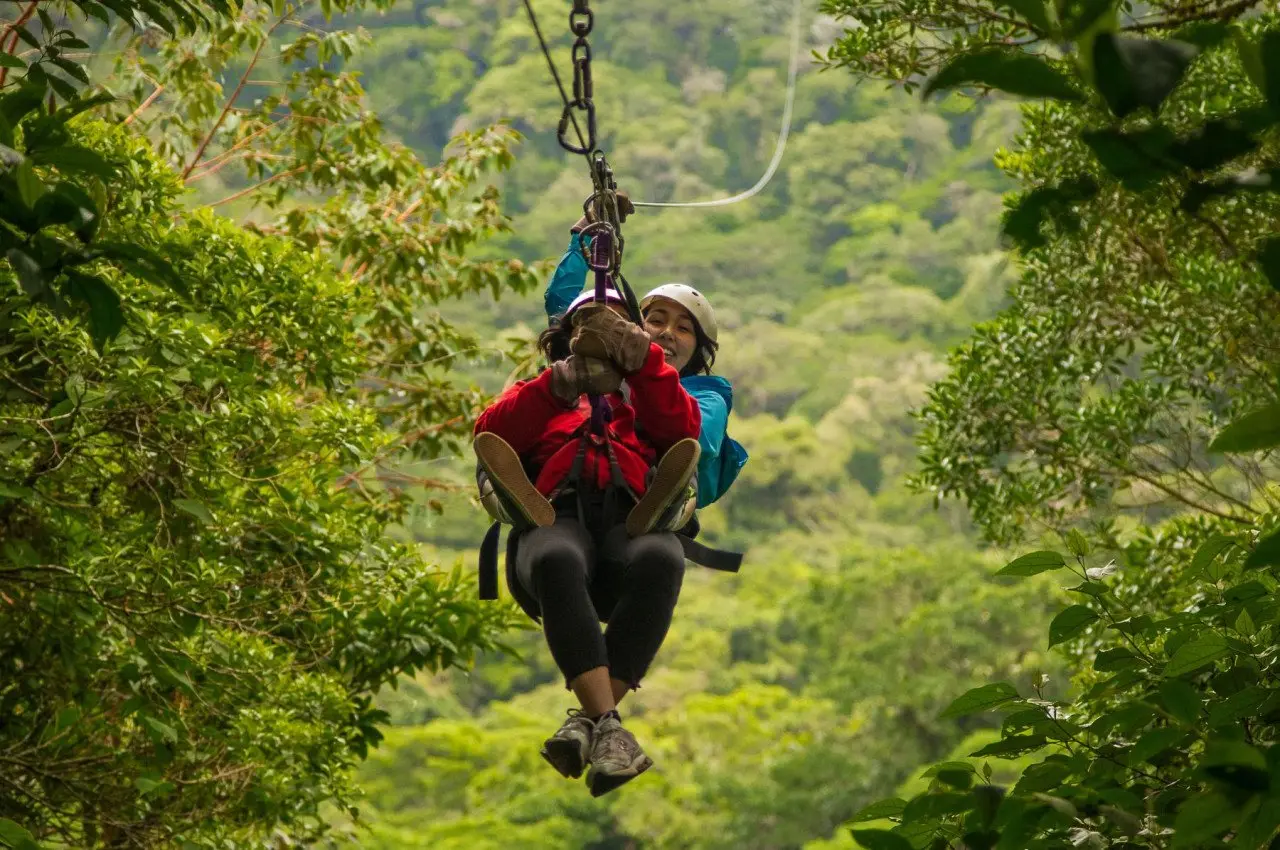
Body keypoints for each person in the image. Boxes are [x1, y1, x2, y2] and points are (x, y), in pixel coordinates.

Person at [472, 286, 703, 797]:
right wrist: (561, 384)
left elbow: (684, 428)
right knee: (556, 552)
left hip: (630, 523)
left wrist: (642, 365)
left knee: (664, 556)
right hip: (556, 518)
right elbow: (489, 431)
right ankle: (610, 727)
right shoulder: (544, 388)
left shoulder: (650, 393)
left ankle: (591, 725)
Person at [542, 199, 748, 510]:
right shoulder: (614, 378)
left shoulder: (708, 399)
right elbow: (565, 313)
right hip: (596, 473)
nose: (667, 333)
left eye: (683, 329)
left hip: (654, 497)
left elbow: (694, 442)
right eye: (656, 320)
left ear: (697, 348)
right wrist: (585, 233)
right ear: (636, 329)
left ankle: (669, 505)